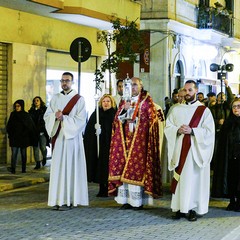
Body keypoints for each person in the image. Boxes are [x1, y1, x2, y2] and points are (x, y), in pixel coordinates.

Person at [108, 77, 162, 210]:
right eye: (130, 85)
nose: (132, 87)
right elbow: (117, 121)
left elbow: (152, 121)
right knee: (122, 169)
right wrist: (125, 110)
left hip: (139, 141)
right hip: (124, 140)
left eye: (135, 85)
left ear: (141, 86)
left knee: (137, 170)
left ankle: (137, 202)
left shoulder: (146, 102)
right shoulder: (124, 100)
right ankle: (125, 200)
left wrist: (137, 119)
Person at [164, 80, 215, 221]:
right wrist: (176, 129)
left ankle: (191, 209)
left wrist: (192, 130)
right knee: (179, 179)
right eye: (185, 90)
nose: (187, 93)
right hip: (179, 150)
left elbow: (209, 132)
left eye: (190, 90)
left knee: (193, 180)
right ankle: (178, 208)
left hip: (194, 151)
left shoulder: (204, 111)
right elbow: (167, 127)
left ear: (196, 91)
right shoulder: (176, 109)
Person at [44, 72, 89, 210]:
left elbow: (81, 121)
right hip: (59, 138)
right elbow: (47, 116)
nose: (64, 83)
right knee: (58, 169)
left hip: (72, 140)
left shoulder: (79, 100)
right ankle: (58, 199)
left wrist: (65, 119)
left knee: (70, 168)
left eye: (67, 81)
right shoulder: (55, 98)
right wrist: (54, 117)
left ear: (72, 82)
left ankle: (70, 199)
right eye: (62, 80)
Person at [84, 94, 117, 197]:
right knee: (99, 166)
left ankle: (110, 187)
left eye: (108, 101)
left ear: (112, 103)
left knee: (109, 166)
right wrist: (95, 130)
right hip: (99, 146)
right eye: (104, 101)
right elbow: (89, 130)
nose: (106, 103)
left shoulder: (114, 115)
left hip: (110, 145)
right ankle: (102, 188)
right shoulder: (96, 115)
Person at [211, 98, 240, 212]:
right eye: (234, 106)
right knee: (231, 180)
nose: (236, 109)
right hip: (230, 157)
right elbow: (222, 141)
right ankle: (232, 201)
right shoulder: (228, 123)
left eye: (238, 106)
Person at [7, 99, 37, 174]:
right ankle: (13, 169)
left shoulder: (26, 115)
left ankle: (23, 169)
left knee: (23, 154)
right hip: (14, 138)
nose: (17, 107)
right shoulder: (13, 114)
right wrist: (10, 134)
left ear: (22, 106)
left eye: (18, 106)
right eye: (16, 106)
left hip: (23, 138)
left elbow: (29, 127)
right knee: (14, 154)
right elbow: (9, 125)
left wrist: (24, 134)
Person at [28, 96, 50, 169]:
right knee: (35, 148)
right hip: (34, 132)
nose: (36, 102)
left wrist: (43, 129)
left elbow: (46, 120)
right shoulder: (31, 111)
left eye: (37, 100)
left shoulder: (45, 110)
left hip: (42, 132)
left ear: (40, 101)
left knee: (43, 147)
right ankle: (37, 163)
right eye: (35, 101)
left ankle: (44, 157)